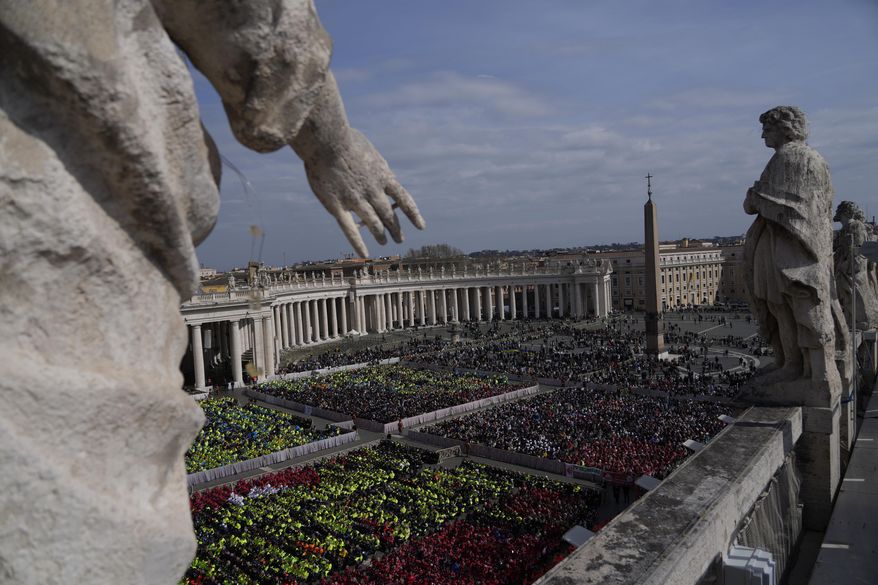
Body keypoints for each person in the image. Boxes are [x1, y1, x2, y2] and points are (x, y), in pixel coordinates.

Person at [743, 106, 847, 390]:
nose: (763, 133)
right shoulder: (817, 160)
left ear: (785, 128)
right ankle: (805, 367)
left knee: (788, 306)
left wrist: (754, 198)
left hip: (788, 250)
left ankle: (799, 368)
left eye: (767, 127)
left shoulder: (787, 158)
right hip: (798, 248)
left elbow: (770, 204)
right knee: (789, 306)